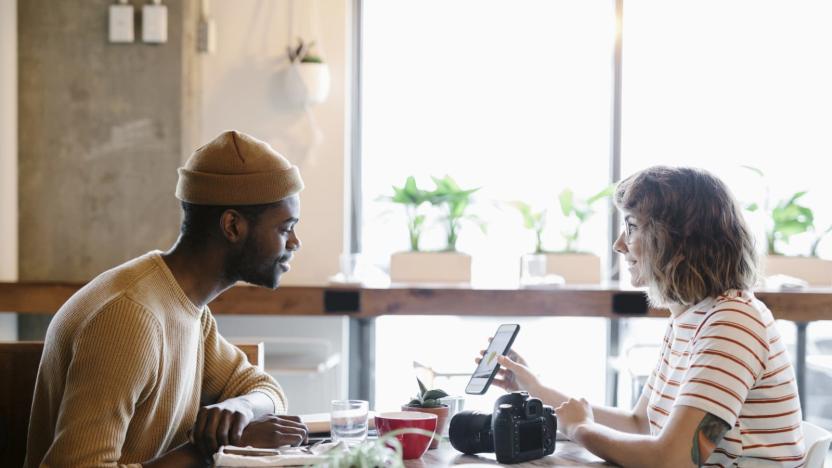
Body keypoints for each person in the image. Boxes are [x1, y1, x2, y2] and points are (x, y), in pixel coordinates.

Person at [482, 166, 805, 467]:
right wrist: (538, 390)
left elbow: (673, 459)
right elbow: (641, 424)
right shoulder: (691, 317)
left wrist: (581, 428)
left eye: (632, 227)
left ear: (678, 240)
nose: (619, 244)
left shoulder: (732, 323)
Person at [26, 130, 310, 467]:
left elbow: (265, 388)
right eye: (284, 228)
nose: (295, 243)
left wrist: (242, 408)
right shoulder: (129, 317)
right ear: (232, 226)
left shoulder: (187, 307)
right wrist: (212, 450)